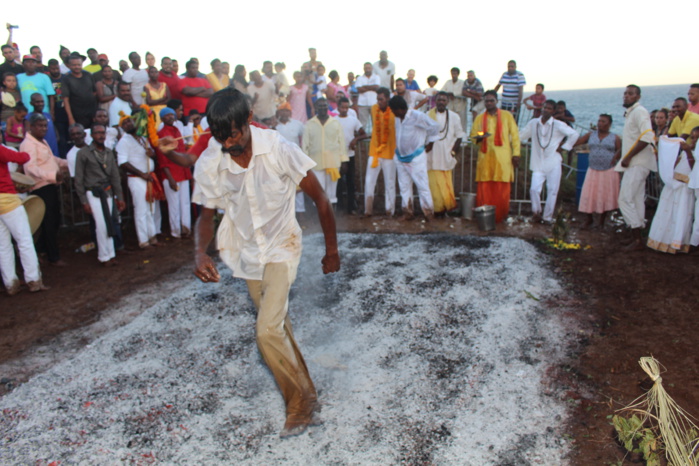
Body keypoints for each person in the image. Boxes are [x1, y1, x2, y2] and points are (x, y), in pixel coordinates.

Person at [191, 88, 340, 439]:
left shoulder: (278, 148)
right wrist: (199, 253)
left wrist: (331, 250)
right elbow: (205, 215)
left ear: (247, 122)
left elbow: (320, 198)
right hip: (247, 256)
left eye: (234, 134)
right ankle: (308, 392)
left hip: (283, 246)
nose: (229, 144)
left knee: (266, 331)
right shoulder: (213, 160)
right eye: (221, 137)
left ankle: (300, 408)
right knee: (279, 329)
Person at [74, 124, 126, 266]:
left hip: (107, 191)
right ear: (91, 135)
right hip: (93, 192)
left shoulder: (109, 152)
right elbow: (78, 179)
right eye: (97, 133)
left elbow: (115, 177)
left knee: (109, 222)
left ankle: (111, 254)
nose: (101, 135)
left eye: (103, 133)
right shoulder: (83, 153)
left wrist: (119, 197)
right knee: (101, 225)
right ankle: (104, 256)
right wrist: (84, 201)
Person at [519, 99, 579, 223]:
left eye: (549, 108)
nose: (546, 110)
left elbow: (574, 134)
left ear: (553, 111)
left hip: (553, 162)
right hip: (538, 163)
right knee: (534, 189)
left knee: (552, 190)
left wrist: (564, 147)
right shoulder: (534, 123)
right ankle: (536, 212)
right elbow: (521, 135)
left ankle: (547, 217)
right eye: (544, 107)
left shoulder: (558, 124)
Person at [613, 84, 657, 251]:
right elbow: (632, 138)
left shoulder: (640, 112)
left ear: (638, 97)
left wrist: (628, 157)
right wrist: (620, 154)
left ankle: (636, 237)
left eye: (630, 94)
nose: (626, 96)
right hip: (635, 163)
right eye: (625, 93)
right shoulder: (631, 113)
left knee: (624, 199)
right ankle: (638, 237)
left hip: (637, 163)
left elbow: (647, 136)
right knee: (637, 200)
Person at [21, 113, 69, 266]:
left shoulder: (42, 141)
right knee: (49, 222)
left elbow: (51, 159)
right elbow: (30, 168)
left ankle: (41, 249)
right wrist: (51, 175)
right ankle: (53, 257)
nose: (43, 128)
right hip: (41, 188)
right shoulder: (28, 144)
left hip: (50, 185)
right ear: (32, 127)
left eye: (45, 126)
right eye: (40, 126)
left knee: (54, 221)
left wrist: (67, 163)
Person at [0, 144, 47, 294]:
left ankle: (10, 284)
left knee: (3, 245)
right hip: (7, 199)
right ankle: (33, 280)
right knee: (24, 240)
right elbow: (22, 158)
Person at [470, 90, 521, 224]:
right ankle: (485, 216)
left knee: (501, 187)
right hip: (486, 157)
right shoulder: (480, 118)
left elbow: (515, 136)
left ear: (496, 101)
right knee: (485, 187)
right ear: (484, 102)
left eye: (492, 100)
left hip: (503, 158)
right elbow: (474, 136)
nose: (489, 103)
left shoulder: (507, 116)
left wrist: (516, 154)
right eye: (487, 101)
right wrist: (481, 136)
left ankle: (501, 215)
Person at [389, 95, 439, 220]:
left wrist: (430, 143)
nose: (392, 112)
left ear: (399, 109)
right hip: (401, 157)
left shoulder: (417, 116)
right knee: (404, 186)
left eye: (393, 110)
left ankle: (428, 213)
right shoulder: (397, 119)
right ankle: (407, 212)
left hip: (416, 158)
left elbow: (434, 127)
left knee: (422, 186)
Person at [116, 114, 161, 248]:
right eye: (124, 124)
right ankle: (143, 241)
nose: (128, 124)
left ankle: (152, 237)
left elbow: (153, 156)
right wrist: (141, 174)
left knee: (150, 209)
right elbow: (123, 163)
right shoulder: (124, 142)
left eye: (129, 121)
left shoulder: (143, 138)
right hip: (136, 179)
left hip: (148, 177)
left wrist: (152, 155)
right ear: (122, 128)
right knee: (141, 209)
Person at [646, 133, 695, 253]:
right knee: (666, 214)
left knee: (680, 215)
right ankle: (660, 241)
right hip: (673, 185)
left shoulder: (692, 153)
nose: (694, 140)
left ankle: (677, 243)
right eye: (692, 137)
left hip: (684, 188)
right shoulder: (684, 152)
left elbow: (694, 168)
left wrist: (689, 152)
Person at [573, 114, 621, 229]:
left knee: (605, 195)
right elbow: (577, 142)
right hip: (593, 169)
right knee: (589, 194)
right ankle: (588, 219)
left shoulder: (614, 137)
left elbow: (620, 149)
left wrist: (616, 156)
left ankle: (601, 222)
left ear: (609, 124)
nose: (600, 123)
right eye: (599, 121)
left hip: (608, 170)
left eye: (603, 121)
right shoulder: (591, 135)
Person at [155, 107, 192, 239]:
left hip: (183, 172)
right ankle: (175, 232)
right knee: (174, 205)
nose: (171, 117)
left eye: (172, 115)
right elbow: (162, 160)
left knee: (185, 202)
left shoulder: (177, 130)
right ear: (162, 118)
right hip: (172, 174)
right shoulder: (162, 134)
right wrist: (169, 178)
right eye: (167, 115)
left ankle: (186, 228)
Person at [302, 98, 347, 206]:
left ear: (328, 107)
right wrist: (305, 164)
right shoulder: (309, 124)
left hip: (333, 163)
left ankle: (332, 217)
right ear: (316, 108)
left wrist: (344, 161)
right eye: (320, 106)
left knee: (332, 193)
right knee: (319, 191)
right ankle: (320, 218)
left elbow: (342, 143)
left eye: (324, 106)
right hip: (316, 163)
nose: (322, 108)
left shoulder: (335, 123)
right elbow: (305, 145)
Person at [426, 92, 464, 215]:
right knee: (433, 183)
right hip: (431, 155)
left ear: (448, 102)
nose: (441, 102)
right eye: (439, 100)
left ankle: (448, 206)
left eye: (444, 100)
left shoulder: (454, 117)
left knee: (445, 183)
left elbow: (459, 136)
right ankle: (437, 209)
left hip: (446, 154)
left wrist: (453, 152)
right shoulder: (428, 115)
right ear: (435, 101)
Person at [365, 87, 396, 216]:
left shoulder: (394, 111)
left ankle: (390, 211)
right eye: (377, 99)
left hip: (389, 153)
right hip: (374, 152)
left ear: (388, 99)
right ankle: (368, 210)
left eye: (381, 99)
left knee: (390, 182)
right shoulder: (373, 109)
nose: (379, 102)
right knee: (369, 181)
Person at [336, 97, 365, 214]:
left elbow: (364, 134)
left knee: (350, 182)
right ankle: (339, 207)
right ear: (338, 108)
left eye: (346, 107)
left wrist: (355, 139)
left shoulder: (353, 120)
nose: (344, 110)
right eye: (342, 107)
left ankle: (351, 208)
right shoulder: (333, 120)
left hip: (350, 155)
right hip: (336, 155)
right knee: (337, 182)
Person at [62, 53, 97, 128]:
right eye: (74, 65)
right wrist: (70, 118)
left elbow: (94, 93)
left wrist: (95, 113)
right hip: (77, 115)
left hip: (91, 114)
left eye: (79, 64)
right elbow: (65, 100)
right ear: (69, 65)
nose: (77, 67)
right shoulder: (66, 79)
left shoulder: (88, 75)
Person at [355, 62, 380, 131]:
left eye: (369, 68)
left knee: (376, 123)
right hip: (363, 104)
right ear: (363, 69)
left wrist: (365, 87)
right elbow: (359, 89)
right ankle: (362, 140)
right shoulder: (359, 78)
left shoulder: (376, 77)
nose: (367, 70)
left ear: (372, 68)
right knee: (362, 124)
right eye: (366, 68)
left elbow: (377, 87)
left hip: (374, 103)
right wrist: (372, 87)